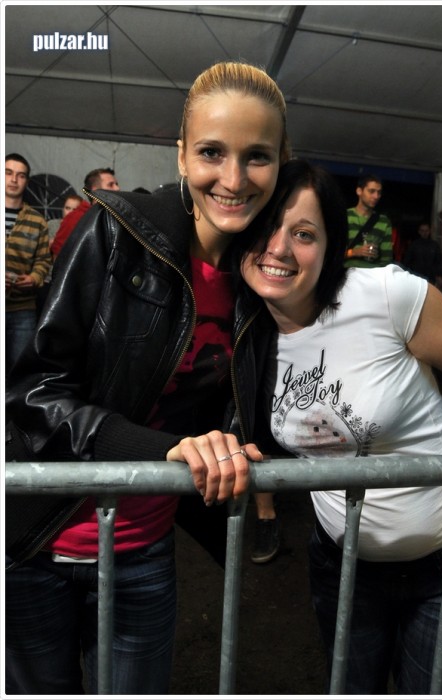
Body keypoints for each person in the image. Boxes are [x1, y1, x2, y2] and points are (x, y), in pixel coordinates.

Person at [4, 60, 290, 695]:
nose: (234, 179)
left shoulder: (262, 281)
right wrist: (164, 450)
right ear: (181, 155)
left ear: (281, 162)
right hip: (39, 545)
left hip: (144, 553)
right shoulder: (115, 229)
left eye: (257, 156)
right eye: (212, 152)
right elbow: (32, 395)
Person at [237, 159, 442, 694]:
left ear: (331, 245)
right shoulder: (244, 330)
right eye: (266, 227)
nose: (278, 248)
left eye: (304, 234)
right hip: (342, 568)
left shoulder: (386, 294)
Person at [5, 153, 52, 379]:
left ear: (26, 181)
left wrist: (34, 278)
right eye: (8, 172)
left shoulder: (37, 221)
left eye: (20, 175)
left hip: (22, 309)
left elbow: (43, 260)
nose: (14, 179)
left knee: (21, 373)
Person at [50, 167, 120, 258]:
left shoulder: (118, 218)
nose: (117, 188)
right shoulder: (75, 219)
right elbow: (59, 257)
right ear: (96, 191)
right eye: (110, 185)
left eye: (116, 184)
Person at [344, 172, 393, 268]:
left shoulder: (384, 222)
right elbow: (331, 253)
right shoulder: (344, 216)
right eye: (371, 191)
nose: (376, 196)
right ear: (359, 191)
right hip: (347, 273)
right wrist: (353, 252)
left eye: (379, 192)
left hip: (372, 274)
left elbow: (386, 260)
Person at [402, 221, 442, 286]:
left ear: (430, 231)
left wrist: (439, 275)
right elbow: (407, 261)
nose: (424, 233)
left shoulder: (434, 245)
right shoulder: (414, 245)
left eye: (426, 231)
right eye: (422, 231)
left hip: (430, 277)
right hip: (417, 277)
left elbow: (438, 261)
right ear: (419, 232)